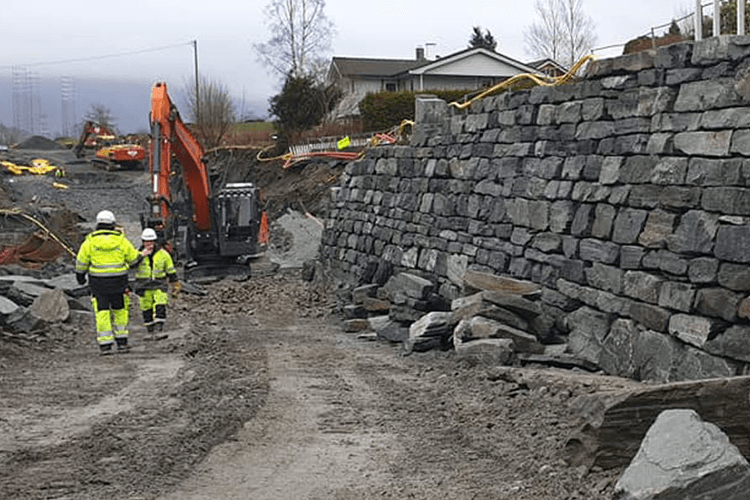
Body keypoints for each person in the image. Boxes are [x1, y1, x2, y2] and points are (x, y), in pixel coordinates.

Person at [75, 210, 148, 355]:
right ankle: (122, 343)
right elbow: (133, 260)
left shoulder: (90, 242)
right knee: (120, 311)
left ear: (97, 225)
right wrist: (141, 255)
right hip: (119, 283)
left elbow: (81, 262)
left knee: (102, 313)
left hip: (98, 284)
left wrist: (80, 277)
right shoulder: (121, 241)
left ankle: (105, 345)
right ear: (113, 225)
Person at [134, 227, 180, 340]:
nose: (148, 244)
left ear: (155, 242)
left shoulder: (163, 254)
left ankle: (159, 329)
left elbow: (170, 270)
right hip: (144, 286)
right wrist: (141, 256)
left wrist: (175, 284)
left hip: (159, 284)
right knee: (146, 308)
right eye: (146, 242)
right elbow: (130, 265)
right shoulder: (137, 253)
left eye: (150, 241)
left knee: (160, 304)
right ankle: (150, 331)